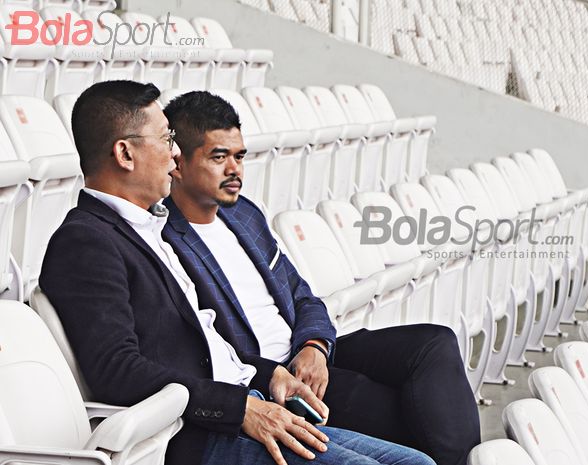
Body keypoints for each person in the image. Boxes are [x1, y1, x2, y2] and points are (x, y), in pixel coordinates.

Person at [39, 80, 436, 465]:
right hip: (192, 435)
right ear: (125, 154)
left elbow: (204, 345)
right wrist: (240, 409)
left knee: (415, 461)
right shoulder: (85, 242)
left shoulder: (147, 228)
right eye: (165, 140)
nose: (176, 156)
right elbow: (117, 371)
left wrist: (271, 374)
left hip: (251, 403)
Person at [161, 90, 481, 465]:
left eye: (240, 156)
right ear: (177, 164)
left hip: (305, 353)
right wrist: (281, 369)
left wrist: (315, 345)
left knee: (433, 342)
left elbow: (302, 295)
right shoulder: (165, 239)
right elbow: (201, 346)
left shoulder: (243, 215)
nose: (235, 170)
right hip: (268, 378)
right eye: (219, 157)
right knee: (407, 411)